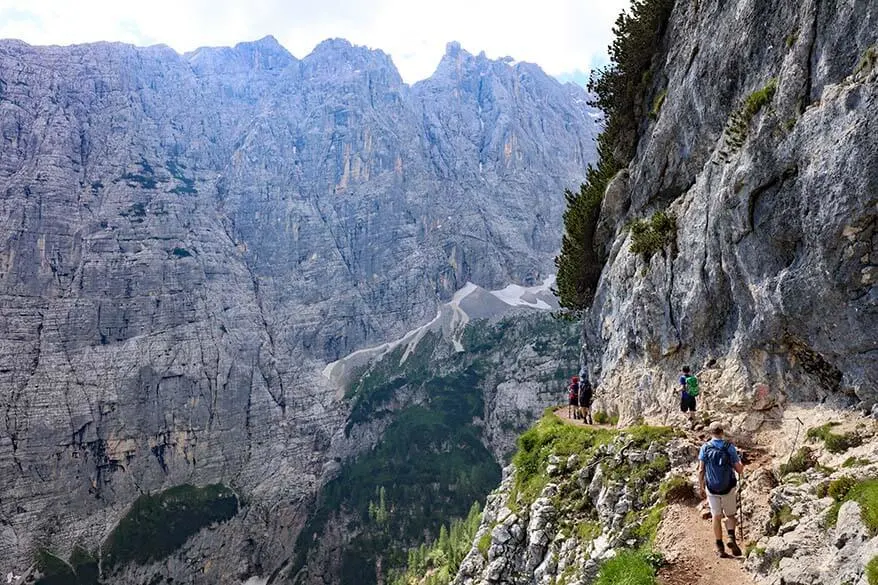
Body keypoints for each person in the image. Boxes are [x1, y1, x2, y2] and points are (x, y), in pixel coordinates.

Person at [698, 422, 744, 558]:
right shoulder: (729, 448)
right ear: (722, 432)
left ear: (710, 432)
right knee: (730, 515)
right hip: (728, 487)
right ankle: (731, 537)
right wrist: (741, 463)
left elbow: (701, 470)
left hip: (712, 488)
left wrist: (701, 487)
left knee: (716, 517)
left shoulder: (705, 448)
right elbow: (739, 469)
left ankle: (720, 547)